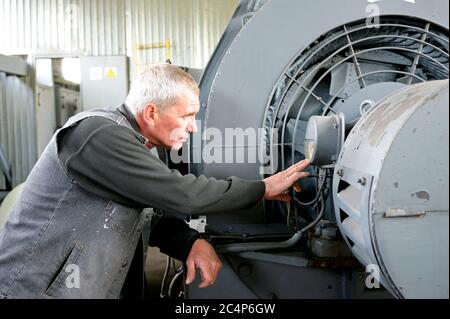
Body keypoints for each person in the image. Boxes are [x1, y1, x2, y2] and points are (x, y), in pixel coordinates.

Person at [0, 64, 310, 299]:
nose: (193, 128)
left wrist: (190, 243)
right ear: (151, 112)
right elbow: (181, 194)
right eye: (187, 116)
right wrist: (263, 188)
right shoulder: (97, 135)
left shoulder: (139, 147)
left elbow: (147, 216)